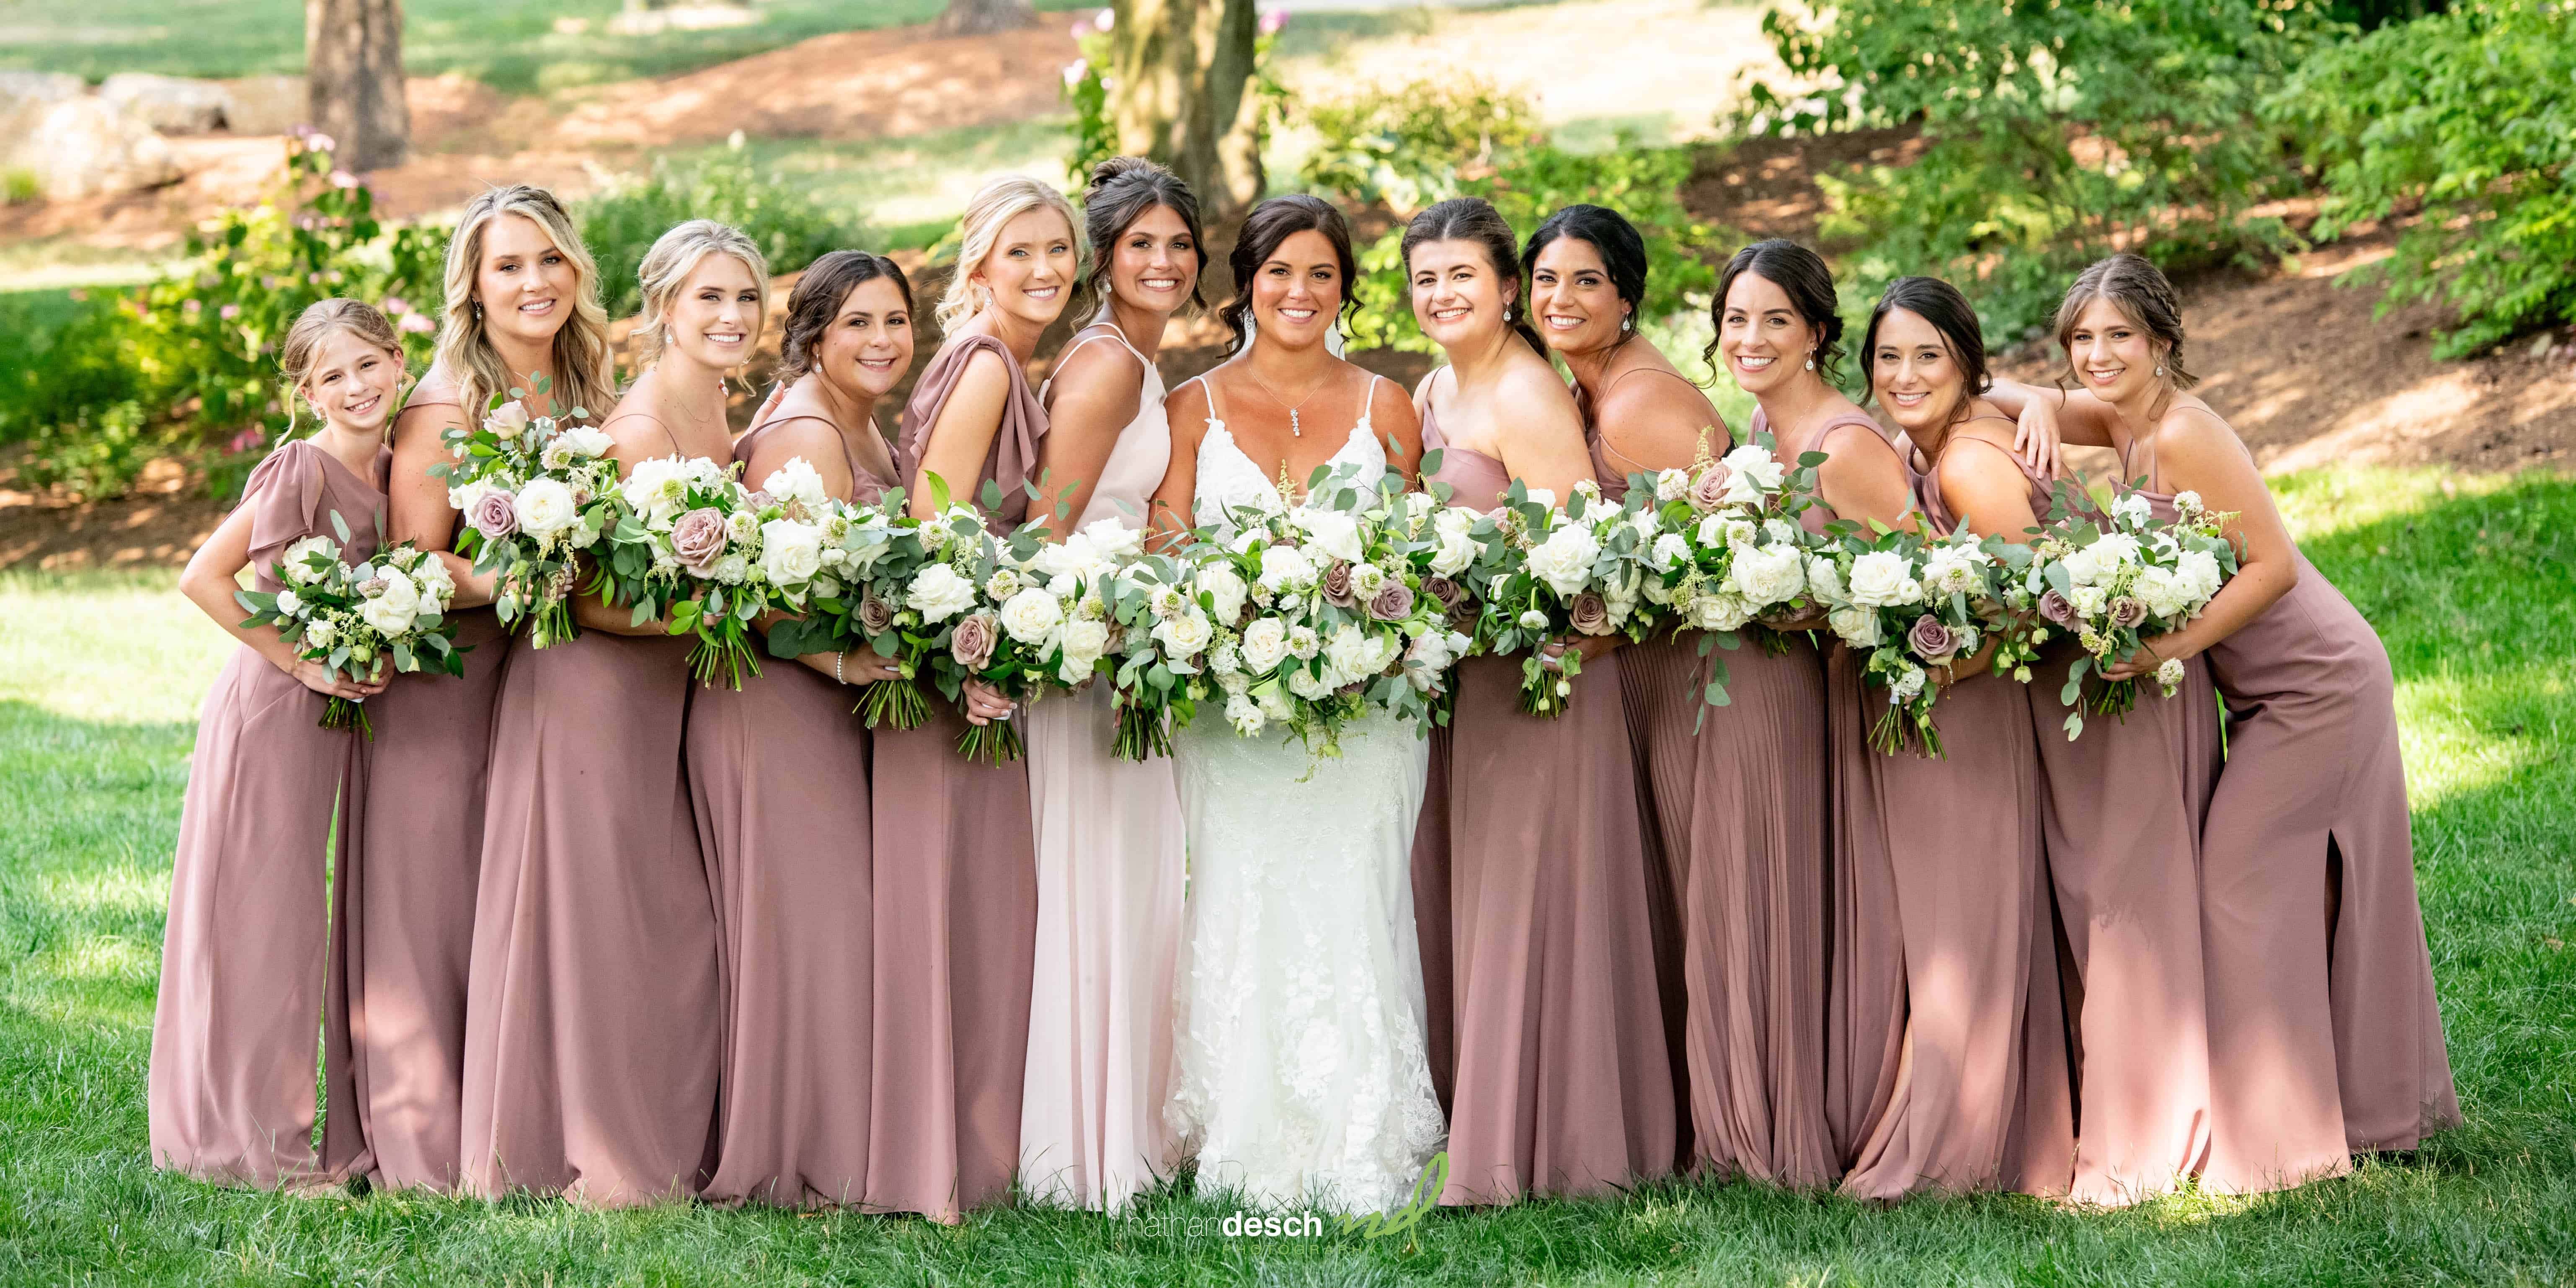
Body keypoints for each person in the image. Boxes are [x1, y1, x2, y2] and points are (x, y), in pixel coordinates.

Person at [1994, 252, 2459, 1195]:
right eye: (2081, 338)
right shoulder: (2117, 415)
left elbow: (2274, 566)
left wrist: (2170, 653)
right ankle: (2362, 1109)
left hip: (2319, 687)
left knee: (2238, 884)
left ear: (2163, 341)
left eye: (2119, 334)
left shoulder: (2186, 429)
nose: (2098, 354)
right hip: (2268, 697)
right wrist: (2040, 401)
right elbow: (1993, 388)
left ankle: (2283, 1142)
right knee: (2272, 886)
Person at [459, 220, 769, 1207]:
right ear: (664, 309)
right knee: (595, 920)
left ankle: (651, 1129)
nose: (731, 317)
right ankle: (590, 1154)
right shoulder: (641, 428)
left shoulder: (717, 407)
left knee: (654, 917)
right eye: (710, 298)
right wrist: (729, 602)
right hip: (590, 689)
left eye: (746, 298)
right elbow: (585, 597)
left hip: (660, 690)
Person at [1149, 195, 1443, 1215]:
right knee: (1244, 895)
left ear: (1346, 289)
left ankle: (1365, 1131)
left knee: (1356, 897)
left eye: (1322, 274)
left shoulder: (1388, 405)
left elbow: (1420, 557)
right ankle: (1246, 1135)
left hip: (1365, 713)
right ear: (1247, 284)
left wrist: (1363, 632)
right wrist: (1233, 632)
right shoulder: (1190, 407)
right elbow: (1166, 547)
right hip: (1234, 717)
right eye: (1280, 272)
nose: (1300, 293)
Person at [1405, 196, 1674, 1204]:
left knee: (1534, 903)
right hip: (1469, 685)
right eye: (1426, 278)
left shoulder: (1524, 395)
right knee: (1482, 904)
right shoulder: (1437, 386)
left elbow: (1582, 565)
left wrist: (1526, 635)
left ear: (1506, 287)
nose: (1443, 293)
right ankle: (1487, 1115)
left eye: (1463, 276)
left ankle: (1555, 1142)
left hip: (1545, 681)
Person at [351, 184, 618, 1193]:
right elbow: (416, 562)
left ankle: (512, 1118)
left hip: (543, 682)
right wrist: (512, 576)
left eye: (549, 259)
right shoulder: (443, 403)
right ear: (472, 285)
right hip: (448, 688)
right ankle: (423, 1143)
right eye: (508, 265)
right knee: (432, 905)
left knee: (503, 909)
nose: (533, 282)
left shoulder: (586, 386)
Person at [1831, 276, 2074, 1200]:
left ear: (1967, 362)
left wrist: (1931, 672)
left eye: (1928, 354)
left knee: (1962, 928)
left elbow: (2038, 605)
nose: (1904, 373)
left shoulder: (1972, 462)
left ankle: (1949, 1148)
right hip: (1948, 710)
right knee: (1945, 927)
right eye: (1888, 357)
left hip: (1974, 714)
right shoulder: (1917, 444)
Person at [150, 299, 402, 1189]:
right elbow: (202, 577)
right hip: (273, 711)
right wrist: (306, 664)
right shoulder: (304, 466)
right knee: (264, 920)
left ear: (398, 361)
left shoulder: (404, 467)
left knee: (295, 916)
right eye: (332, 376)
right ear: (305, 392)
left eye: (368, 364)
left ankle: (264, 1124)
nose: (356, 386)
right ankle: (257, 1146)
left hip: (338, 717)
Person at [687, 250, 916, 1208]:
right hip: (772, 706)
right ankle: (791, 1157)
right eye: (857, 322)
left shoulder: (864, 423)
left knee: (826, 928)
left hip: (816, 704)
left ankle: (829, 1140)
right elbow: (759, 600)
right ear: (815, 333)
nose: (881, 340)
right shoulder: (808, 434)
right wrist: (849, 660)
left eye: (895, 320)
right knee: (806, 931)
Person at [871, 174, 1069, 1221]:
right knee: (955, 908)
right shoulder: (989, 364)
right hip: (955, 679)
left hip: (968, 663)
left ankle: (960, 1149)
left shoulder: (993, 357)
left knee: (971, 909)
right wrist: (972, 659)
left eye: (1059, 252)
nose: (1045, 270)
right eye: (1021, 251)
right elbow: (932, 524)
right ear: (979, 262)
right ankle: (939, 1159)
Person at [1017, 157, 1200, 1214]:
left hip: (1128, 652)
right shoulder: (1105, 369)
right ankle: (1086, 1152)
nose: (1164, 262)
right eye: (1142, 244)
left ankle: (1123, 1128)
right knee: (1101, 891)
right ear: (1103, 258)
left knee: (1133, 889)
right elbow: (1046, 533)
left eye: (1180, 245)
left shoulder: (1130, 356)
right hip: (1088, 663)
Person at [1702, 238, 1904, 1187]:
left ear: (1818, 331)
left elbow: (1913, 589)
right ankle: (1751, 1117)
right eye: (1736, 318)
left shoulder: (1846, 443)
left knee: (1806, 905)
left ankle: (1807, 1124)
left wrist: (1806, 599)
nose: (1752, 336)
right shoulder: (1754, 428)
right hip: (1772, 700)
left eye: (1775, 319)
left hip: (1840, 715)